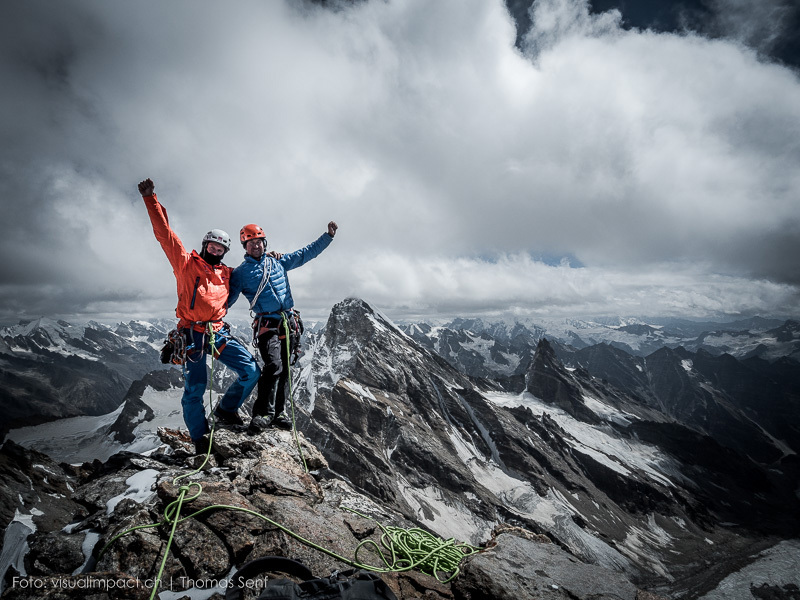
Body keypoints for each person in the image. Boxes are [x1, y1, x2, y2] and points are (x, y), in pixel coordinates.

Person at [138, 178, 260, 453]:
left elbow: (254, 267)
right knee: (195, 389)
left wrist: (269, 256)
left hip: (217, 332)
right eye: (212, 247)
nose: (216, 251)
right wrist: (150, 199)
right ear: (205, 245)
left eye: (221, 249)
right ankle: (200, 439)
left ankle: (226, 410)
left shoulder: (227, 273)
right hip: (192, 333)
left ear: (225, 252)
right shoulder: (185, 263)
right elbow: (165, 234)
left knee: (251, 371)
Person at [228, 221, 337, 432]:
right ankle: (262, 413)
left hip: (288, 323)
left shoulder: (277, 262)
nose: (255, 246)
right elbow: (228, 299)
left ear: (264, 243)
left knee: (285, 369)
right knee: (273, 366)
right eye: (250, 244)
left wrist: (328, 236)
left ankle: (278, 413)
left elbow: (305, 254)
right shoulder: (241, 274)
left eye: (258, 242)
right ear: (245, 248)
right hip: (267, 324)